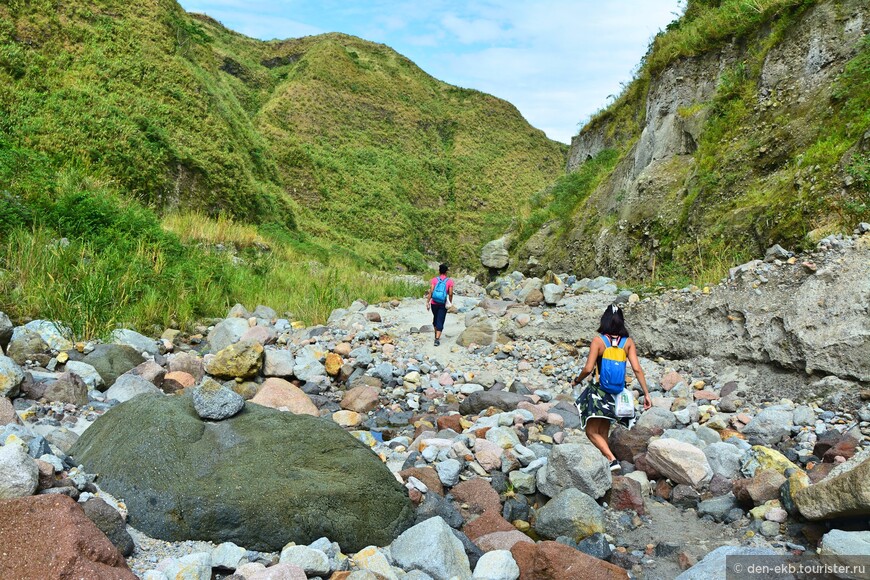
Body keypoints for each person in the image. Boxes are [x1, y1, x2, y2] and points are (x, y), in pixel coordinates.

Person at [572, 304, 652, 472]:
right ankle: (607, 466)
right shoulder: (627, 342)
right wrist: (646, 393)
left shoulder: (599, 341)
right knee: (602, 431)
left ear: (605, 320)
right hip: (616, 391)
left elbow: (588, 368)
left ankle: (611, 459)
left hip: (599, 391)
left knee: (591, 431)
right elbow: (637, 368)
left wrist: (577, 380)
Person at [425, 263, 453, 346]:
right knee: (440, 320)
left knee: (436, 319)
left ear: (439, 271)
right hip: (442, 303)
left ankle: (436, 333)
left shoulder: (434, 280)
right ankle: (437, 339)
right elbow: (450, 293)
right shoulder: (449, 281)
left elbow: (431, 291)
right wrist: (450, 302)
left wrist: (428, 302)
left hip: (434, 303)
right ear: (446, 272)